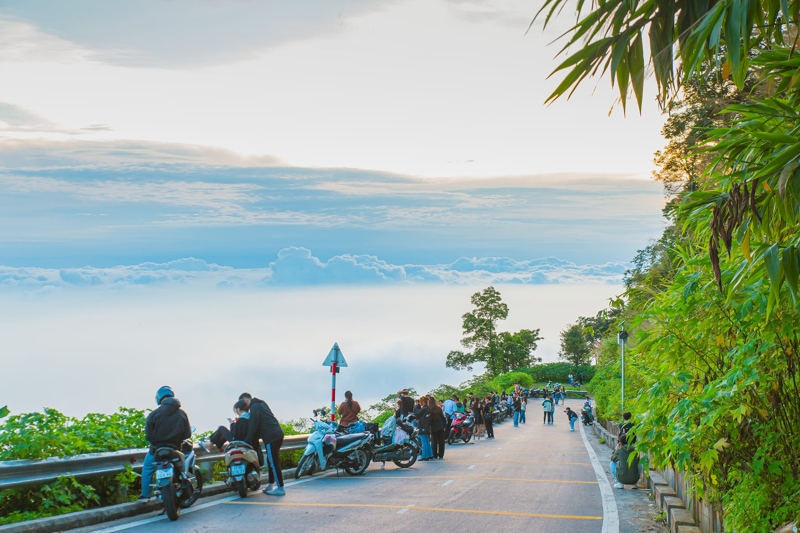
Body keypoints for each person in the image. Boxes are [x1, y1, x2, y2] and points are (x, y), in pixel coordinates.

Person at [139, 386, 191, 501]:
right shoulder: (182, 413)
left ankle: (145, 495)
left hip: (156, 450)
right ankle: (183, 488)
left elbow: (148, 436)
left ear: (158, 398)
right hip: (175, 449)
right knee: (183, 470)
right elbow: (187, 434)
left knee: (147, 469)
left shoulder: (153, 414)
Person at [241, 392, 285, 496]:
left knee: (273, 463)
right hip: (276, 433)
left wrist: (247, 440)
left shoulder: (254, 407)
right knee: (271, 461)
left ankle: (281, 488)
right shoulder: (260, 403)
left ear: (246, 401)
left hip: (271, 436)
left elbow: (254, 425)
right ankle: (270, 485)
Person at [417, 395, 433, 461]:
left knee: (424, 442)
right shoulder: (428, 408)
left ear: (422, 402)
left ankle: (424, 456)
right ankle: (429, 454)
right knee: (426, 441)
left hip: (423, 427)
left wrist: (416, 406)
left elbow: (417, 413)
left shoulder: (424, 409)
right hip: (426, 427)